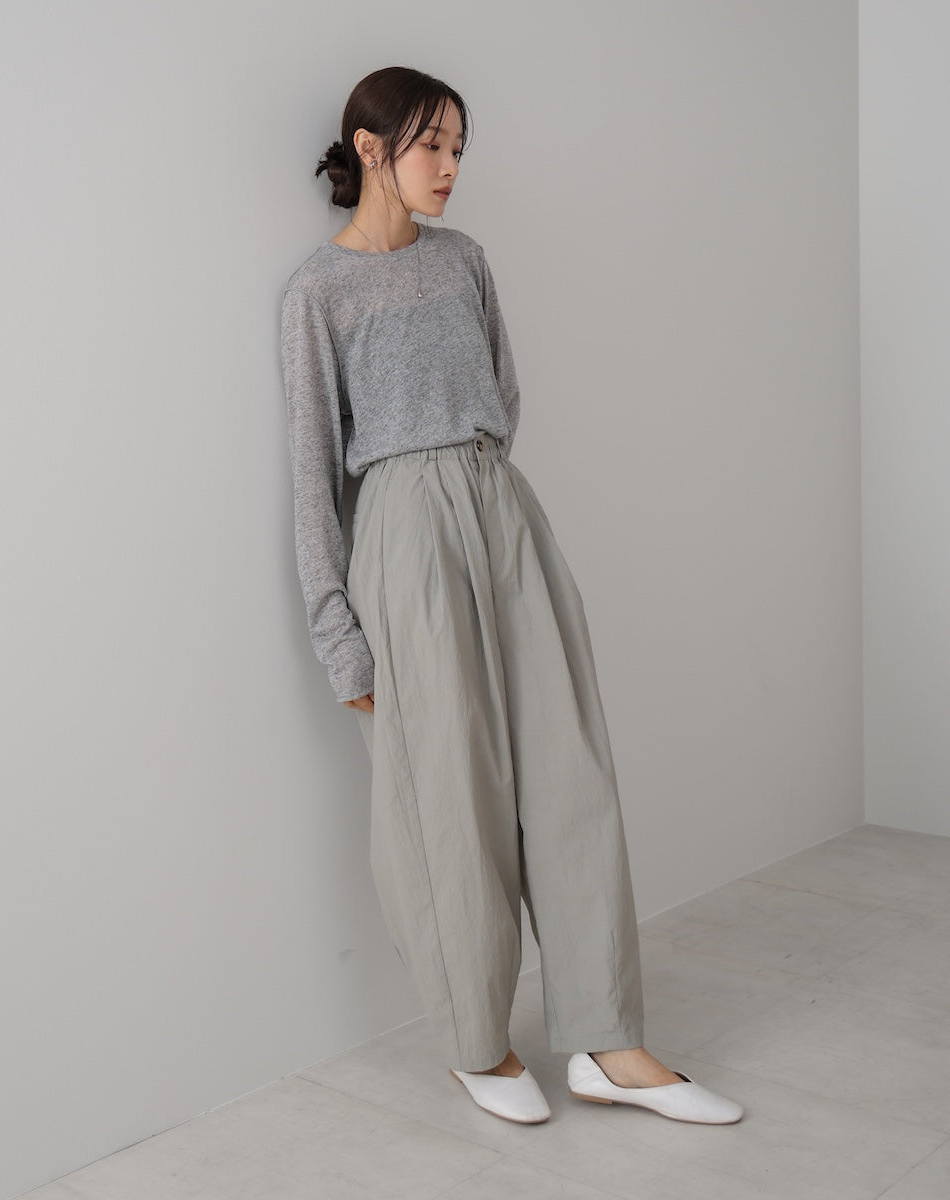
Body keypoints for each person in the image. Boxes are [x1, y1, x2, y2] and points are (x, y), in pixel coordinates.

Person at [281, 66, 743, 1127]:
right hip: (401, 532)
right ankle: (477, 1045)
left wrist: (480, 491)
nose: (450, 167)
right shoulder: (318, 292)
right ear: (370, 149)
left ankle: (607, 1041)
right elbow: (312, 476)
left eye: (459, 147)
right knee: (448, 794)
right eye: (431, 145)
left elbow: (504, 390)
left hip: (502, 507)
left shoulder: (465, 261)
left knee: (569, 769)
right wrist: (339, 638)